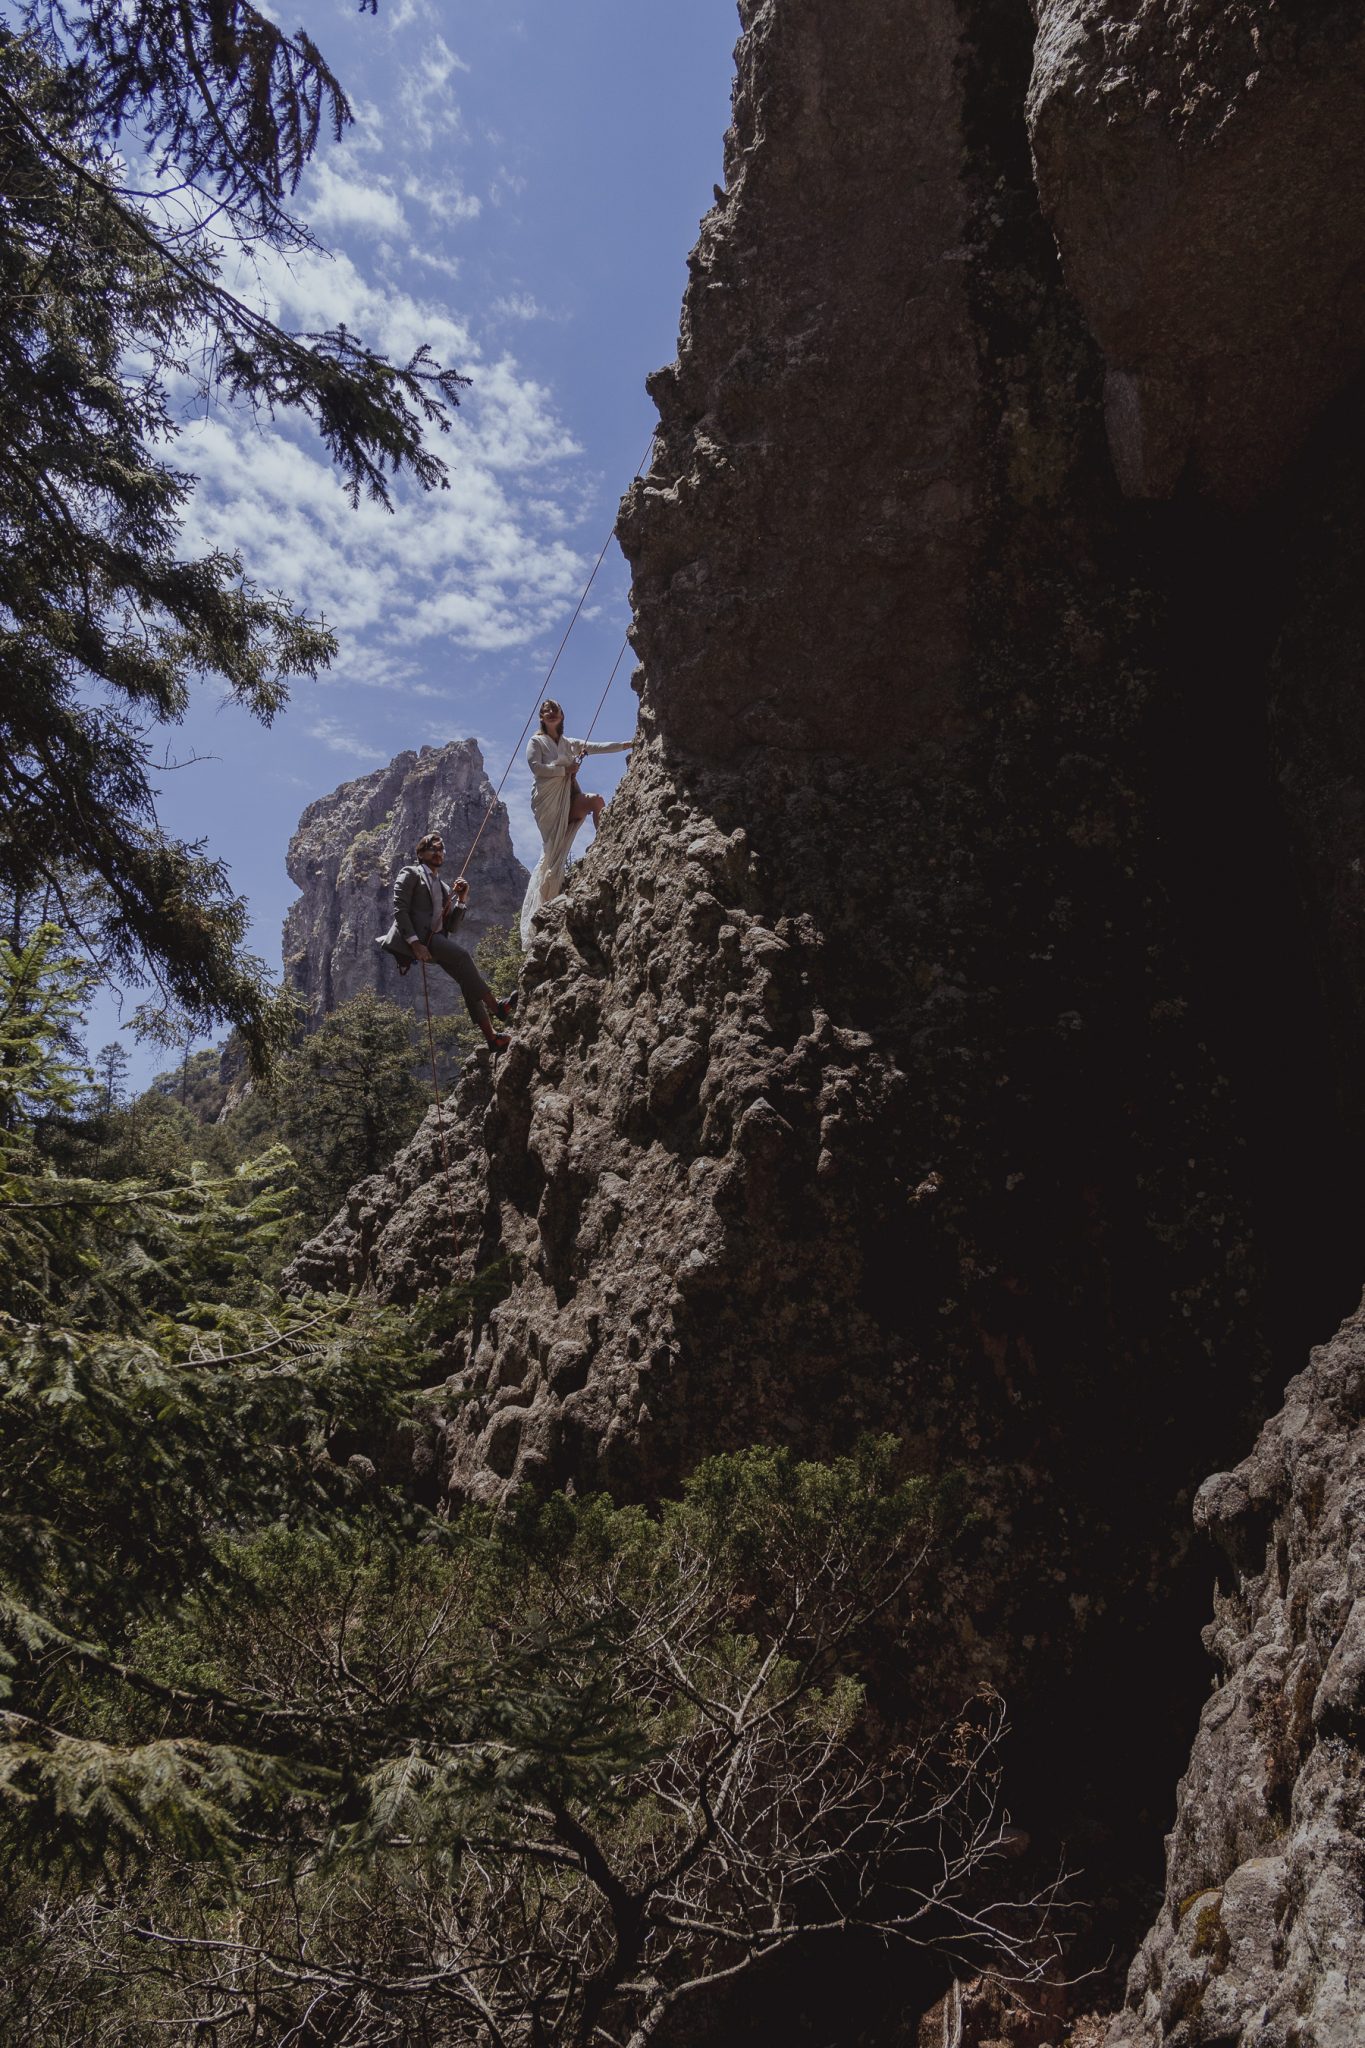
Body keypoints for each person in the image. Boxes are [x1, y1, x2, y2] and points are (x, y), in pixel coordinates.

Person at [375, 832, 517, 1051]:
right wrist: (414, 943)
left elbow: (451, 926)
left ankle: (492, 1039)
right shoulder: (411, 873)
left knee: (467, 981)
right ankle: (496, 1007)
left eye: (441, 849)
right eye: (433, 849)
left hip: (437, 939)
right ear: (420, 853)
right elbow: (400, 908)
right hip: (421, 940)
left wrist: (461, 900)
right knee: (462, 957)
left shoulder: (442, 887)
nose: (439, 853)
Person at [520, 697, 632, 943]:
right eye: (546, 711)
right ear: (541, 717)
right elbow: (536, 768)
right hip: (547, 801)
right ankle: (547, 894)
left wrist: (628, 744)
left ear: (561, 715)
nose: (550, 713)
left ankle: (603, 843)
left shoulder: (570, 743)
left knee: (596, 801)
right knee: (552, 848)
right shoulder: (536, 741)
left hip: (568, 795)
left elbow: (598, 746)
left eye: (554, 710)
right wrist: (564, 770)